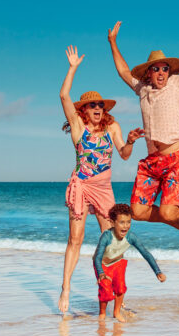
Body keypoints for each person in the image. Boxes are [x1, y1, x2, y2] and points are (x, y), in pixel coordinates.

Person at [105, 2, 179, 237]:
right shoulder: (142, 89)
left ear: (169, 71)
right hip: (152, 162)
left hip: (176, 158)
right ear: (148, 72)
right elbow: (123, 72)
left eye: (164, 68)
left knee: (169, 212)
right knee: (137, 212)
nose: (161, 72)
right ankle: (174, 219)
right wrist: (112, 42)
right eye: (156, 69)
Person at [58, 45, 145, 315]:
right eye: (92, 105)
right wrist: (72, 68)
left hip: (104, 189)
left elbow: (125, 155)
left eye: (100, 105)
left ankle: (116, 294)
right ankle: (66, 288)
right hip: (82, 187)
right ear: (83, 110)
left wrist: (130, 141)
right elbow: (64, 95)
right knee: (76, 239)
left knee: (113, 241)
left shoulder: (112, 127)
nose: (97, 108)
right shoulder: (78, 127)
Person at [93, 203, 166, 322]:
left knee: (120, 287)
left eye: (128, 222)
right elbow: (97, 257)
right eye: (122, 222)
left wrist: (157, 271)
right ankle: (102, 313)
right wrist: (100, 272)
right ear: (112, 223)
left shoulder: (131, 237)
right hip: (102, 264)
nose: (126, 226)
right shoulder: (107, 236)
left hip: (118, 262)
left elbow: (145, 253)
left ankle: (116, 312)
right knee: (105, 288)